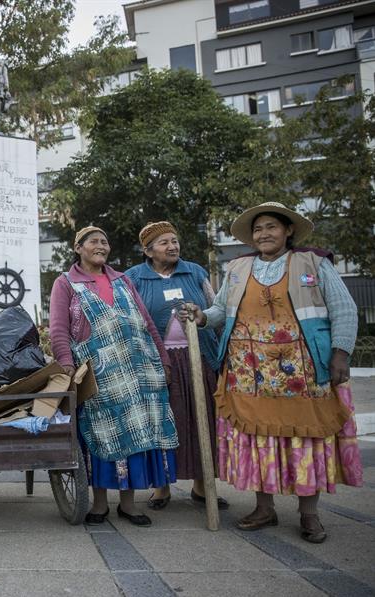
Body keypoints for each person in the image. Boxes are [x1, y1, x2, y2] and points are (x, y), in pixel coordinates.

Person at [180, 202, 362, 543]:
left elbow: (343, 308)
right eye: (258, 229)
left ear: (288, 230)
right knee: (257, 439)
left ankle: (309, 514)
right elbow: (221, 309)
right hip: (248, 374)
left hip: (303, 374)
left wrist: (341, 354)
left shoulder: (313, 263)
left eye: (271, 227)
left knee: (306, 439)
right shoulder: (237, 268)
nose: (264, 234)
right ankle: (264, 508)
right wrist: (201, 317)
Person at [49, 226, 178, 527]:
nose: (101, 245)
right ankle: (100, 504)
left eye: (105, 241)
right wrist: (66, 365)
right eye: (93, 241)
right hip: (99, 375)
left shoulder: (122, 280)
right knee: (100, 434)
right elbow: (58, 330)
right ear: (77, 248)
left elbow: (146, 323)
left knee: (137, 434)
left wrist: (165, 360)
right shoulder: (65, 283)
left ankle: (129, 505)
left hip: (138, 370)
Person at [125, 222, 228, 511]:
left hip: (198, 359)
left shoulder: (194, 272)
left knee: (201, 421)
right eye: (164, 243)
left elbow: (215, 310)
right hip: (159, 365)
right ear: (148, 250)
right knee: (163, 422)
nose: (172, 246)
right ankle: (162, 487)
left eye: (175, 241)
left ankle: (202, 485)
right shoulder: (135, 278)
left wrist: (221, 357)